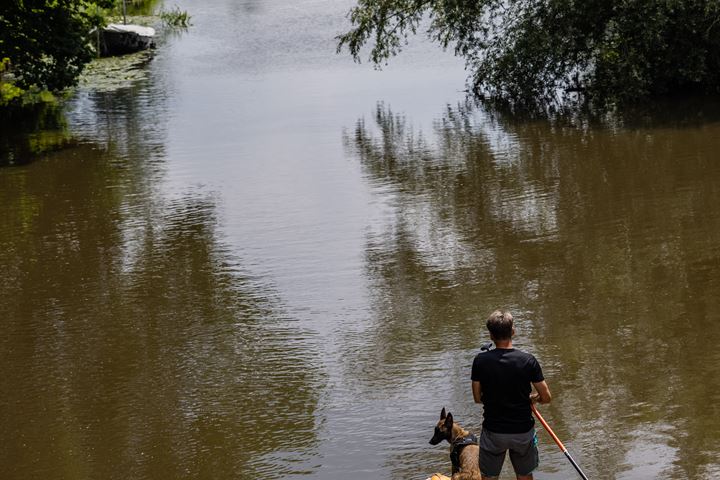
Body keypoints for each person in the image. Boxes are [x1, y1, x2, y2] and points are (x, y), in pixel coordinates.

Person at [471, 310, 552, 480]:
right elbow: (546, 397)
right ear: (513, 332)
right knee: (524, 476)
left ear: (491, 335)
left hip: (494, 432)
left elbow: (478, 398)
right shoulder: (528, 360)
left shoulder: (480, 361)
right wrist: (532, 398)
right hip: (522, 432)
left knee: (489, 477)